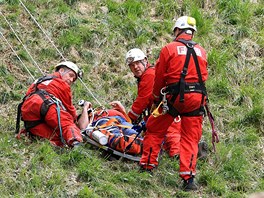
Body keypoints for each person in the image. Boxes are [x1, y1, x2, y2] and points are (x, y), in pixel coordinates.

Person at [139, 16, 209, 191]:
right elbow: (203, 76)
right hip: (197, 99)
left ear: (177, 30)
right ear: (192, 32)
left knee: (154, 128)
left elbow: (160, 76)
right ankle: (188, 179)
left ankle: (147, 166)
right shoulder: (202, 51)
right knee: (190, 138)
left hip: (174, 98)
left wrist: (156, 97)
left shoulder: (169, 49)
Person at [125, 48, 181, 158]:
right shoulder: (148, 74)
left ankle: (178, 156)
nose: (135, 67)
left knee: (171, 136)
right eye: (132, 65)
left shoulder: (149, 75)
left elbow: (142, 100)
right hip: (163, 110)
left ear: (145, 61)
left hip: (166, 111)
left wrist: (129, 118)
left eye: (137, 63)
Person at [18, 61, 83, 148]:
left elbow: (28, 94)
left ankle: (29, 135)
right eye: (70, 75)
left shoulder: (40, 80)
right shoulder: (62, 84)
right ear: (62, 70)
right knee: (67, 124)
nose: (71, 80)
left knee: (55, 137)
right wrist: (75, 123)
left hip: (28, 109)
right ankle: (76, 143)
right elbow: (69, 108)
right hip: (46, 104)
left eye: (73, 79)